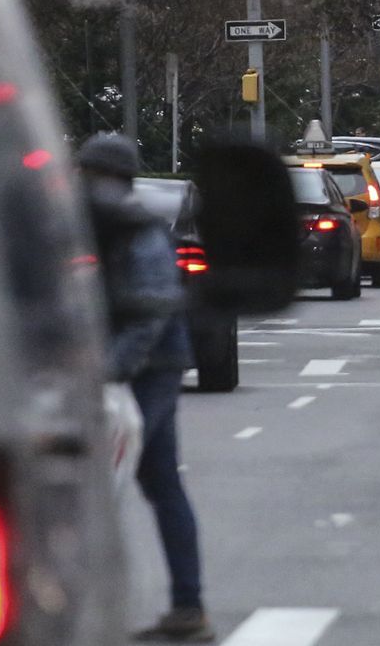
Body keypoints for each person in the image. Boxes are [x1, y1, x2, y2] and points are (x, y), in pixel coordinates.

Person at [78, 134, 212, 643]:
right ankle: (187, 604)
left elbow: (151, 310)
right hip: (144, 364)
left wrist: (113, 371)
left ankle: (96, 604)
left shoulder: (135, 230)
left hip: (150, 367)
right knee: (159, 482)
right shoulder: (108, 225)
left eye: (88, 174)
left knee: (105, 477)